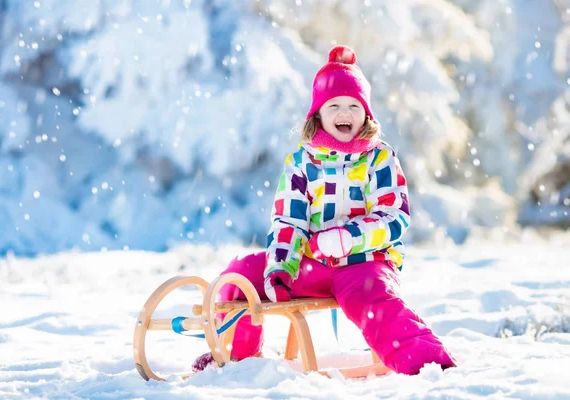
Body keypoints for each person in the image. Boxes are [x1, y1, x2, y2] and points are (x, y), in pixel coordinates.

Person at [192, 45, 456, 375]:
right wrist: (281, 266)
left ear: (366, 114)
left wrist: (350, 239)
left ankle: (429, 364)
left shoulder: (379, 158)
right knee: (242, 273)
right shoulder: (302, 162)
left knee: (378, 307)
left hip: (365, 266)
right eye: (334, 105)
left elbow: (394, 217)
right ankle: (233, 356)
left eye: (353, 106)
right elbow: (289, 219)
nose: (344, 113)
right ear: (318, 114)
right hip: (312, 264)